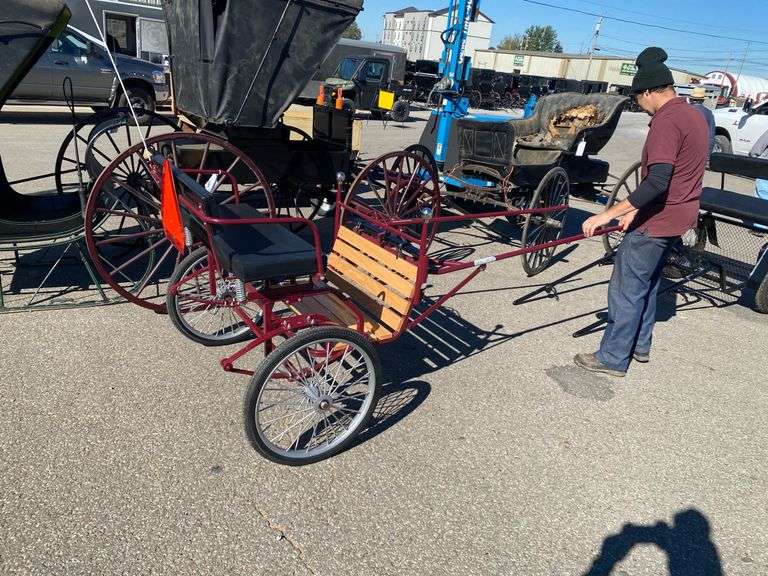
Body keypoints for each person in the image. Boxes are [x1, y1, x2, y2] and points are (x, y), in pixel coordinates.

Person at [574, 47, 710, 377]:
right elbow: (676, 177)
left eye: (638, 98)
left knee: (625, 289)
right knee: (647, 283)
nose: (638, 104)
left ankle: (612, 358)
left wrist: (608, 214)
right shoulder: (695, 115)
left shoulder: (666, 121)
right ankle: (640, 346)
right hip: (678, 216)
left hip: (659, 219)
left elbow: (658, 180)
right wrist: (634, 212)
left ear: (650, 91)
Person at [689, 86, 716, 153]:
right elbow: (711, 133)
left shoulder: (686, 111)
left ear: (691, 100)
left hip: (689, 146)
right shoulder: (709, 113)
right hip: (704, 146)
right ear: (703, 100)